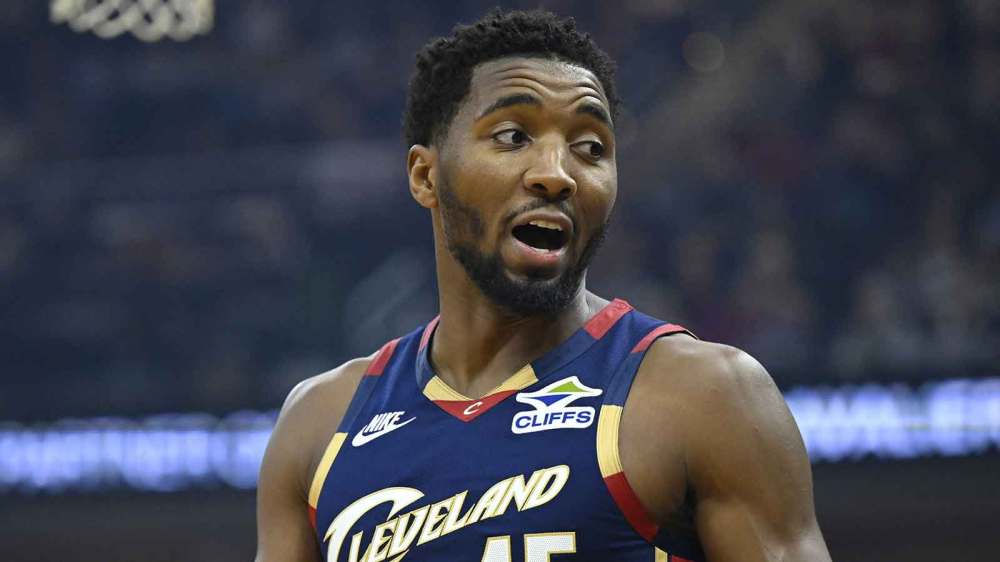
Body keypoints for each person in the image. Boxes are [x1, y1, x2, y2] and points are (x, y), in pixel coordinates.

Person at [256, 9, 830, 562]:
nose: (556, 173)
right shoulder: (320, 423)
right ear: (425, 175)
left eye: (591, 148)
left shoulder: (705, 394)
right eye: (512, 136)